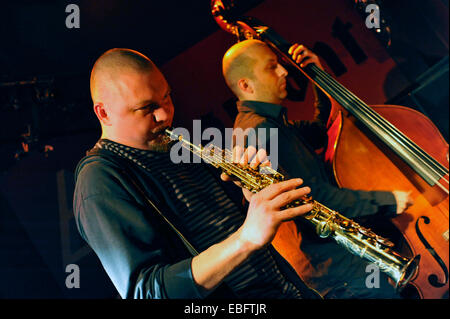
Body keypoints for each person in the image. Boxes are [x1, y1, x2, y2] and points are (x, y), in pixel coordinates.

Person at [73, 48, 322, 299]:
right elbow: (146, 292)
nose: (165, 115)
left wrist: (251, 194)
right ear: (103, 113)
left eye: (167, 98)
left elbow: (223, 231)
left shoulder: (179, 147)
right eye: (147, 108)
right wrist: (245, 239)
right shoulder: (99, 181)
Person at [222, 39, 414, 298]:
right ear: (246, 85)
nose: (284, 71)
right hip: (342, 271)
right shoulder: (260, 132)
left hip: (344, 266)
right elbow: (314, 199)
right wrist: (388, 200)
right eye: (271, 67)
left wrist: (317, 75)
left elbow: (321, 130)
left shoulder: (270, 125)